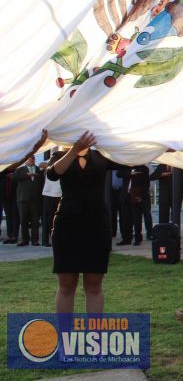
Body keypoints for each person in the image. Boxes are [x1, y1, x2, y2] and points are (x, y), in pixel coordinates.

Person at [46, 131, 119, 313]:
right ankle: (65, 337)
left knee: (94, 285)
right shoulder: (59, 155)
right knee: (66, 285)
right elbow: (53, 174)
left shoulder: (102, 155)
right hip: (67, 224)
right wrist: (74, 150)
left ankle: (94, 338)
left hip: (97, 223)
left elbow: (131, 155)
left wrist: (160, 148)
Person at [13, 156, 45, 246]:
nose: (31, 160)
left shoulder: (39, 170)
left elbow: (42, 183)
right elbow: (14, 178)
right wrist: (27, 175)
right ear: (26, 160)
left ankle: (35, 240)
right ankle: (24, 239)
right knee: (23, 220)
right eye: (30, 159)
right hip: (23, 199)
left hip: (35, 199)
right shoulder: (20, 169)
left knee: (35, 220)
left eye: (33, 159)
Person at [127, 165, 151, 246]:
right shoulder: (128, 168)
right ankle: (137, 238)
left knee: (146, 216)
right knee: (136, 218)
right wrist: (130, 173)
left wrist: (141, 197)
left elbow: (146, 184)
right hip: (131, 196)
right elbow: (119, 174)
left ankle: (149, 234)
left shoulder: (143, 168)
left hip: (141, 196)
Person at [42, 152, 62, 247]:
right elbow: (40, 164)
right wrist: (50, 164)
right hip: (49, 194)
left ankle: (53, 238)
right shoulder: (49, 165)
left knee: (55, 219)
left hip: (59, 194)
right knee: (47, 219)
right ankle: (45, 240)